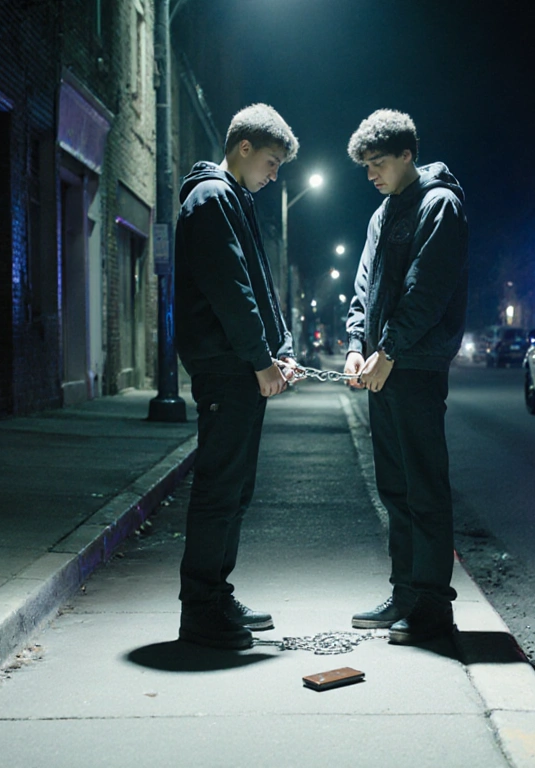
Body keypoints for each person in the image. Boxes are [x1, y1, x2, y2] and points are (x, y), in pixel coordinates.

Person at [174, 104, 299, 650]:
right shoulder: (211, 197)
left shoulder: (235, 199)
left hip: (239, 366)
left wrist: (281, 350)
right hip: (226, 368)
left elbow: (258, 287)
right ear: (243, 147)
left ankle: (216, 597)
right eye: (271, 162)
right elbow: (231, 289)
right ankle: (200, 612)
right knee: (218, 489)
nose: (273, 176)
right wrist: (259, 359)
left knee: (236, 490)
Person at [342, 109, 469, 645]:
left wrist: (388, 349)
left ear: (407, 156)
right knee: (395, 487)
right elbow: (363, 286)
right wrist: (355, 346)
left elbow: (427, 290)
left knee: (425, 486)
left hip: (413, 367)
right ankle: (406, 592)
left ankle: (434, 606)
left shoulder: (440, 204)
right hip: (380, 368)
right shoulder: (382, 214)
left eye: (378, 163)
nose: (371, 174)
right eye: (366, 166)